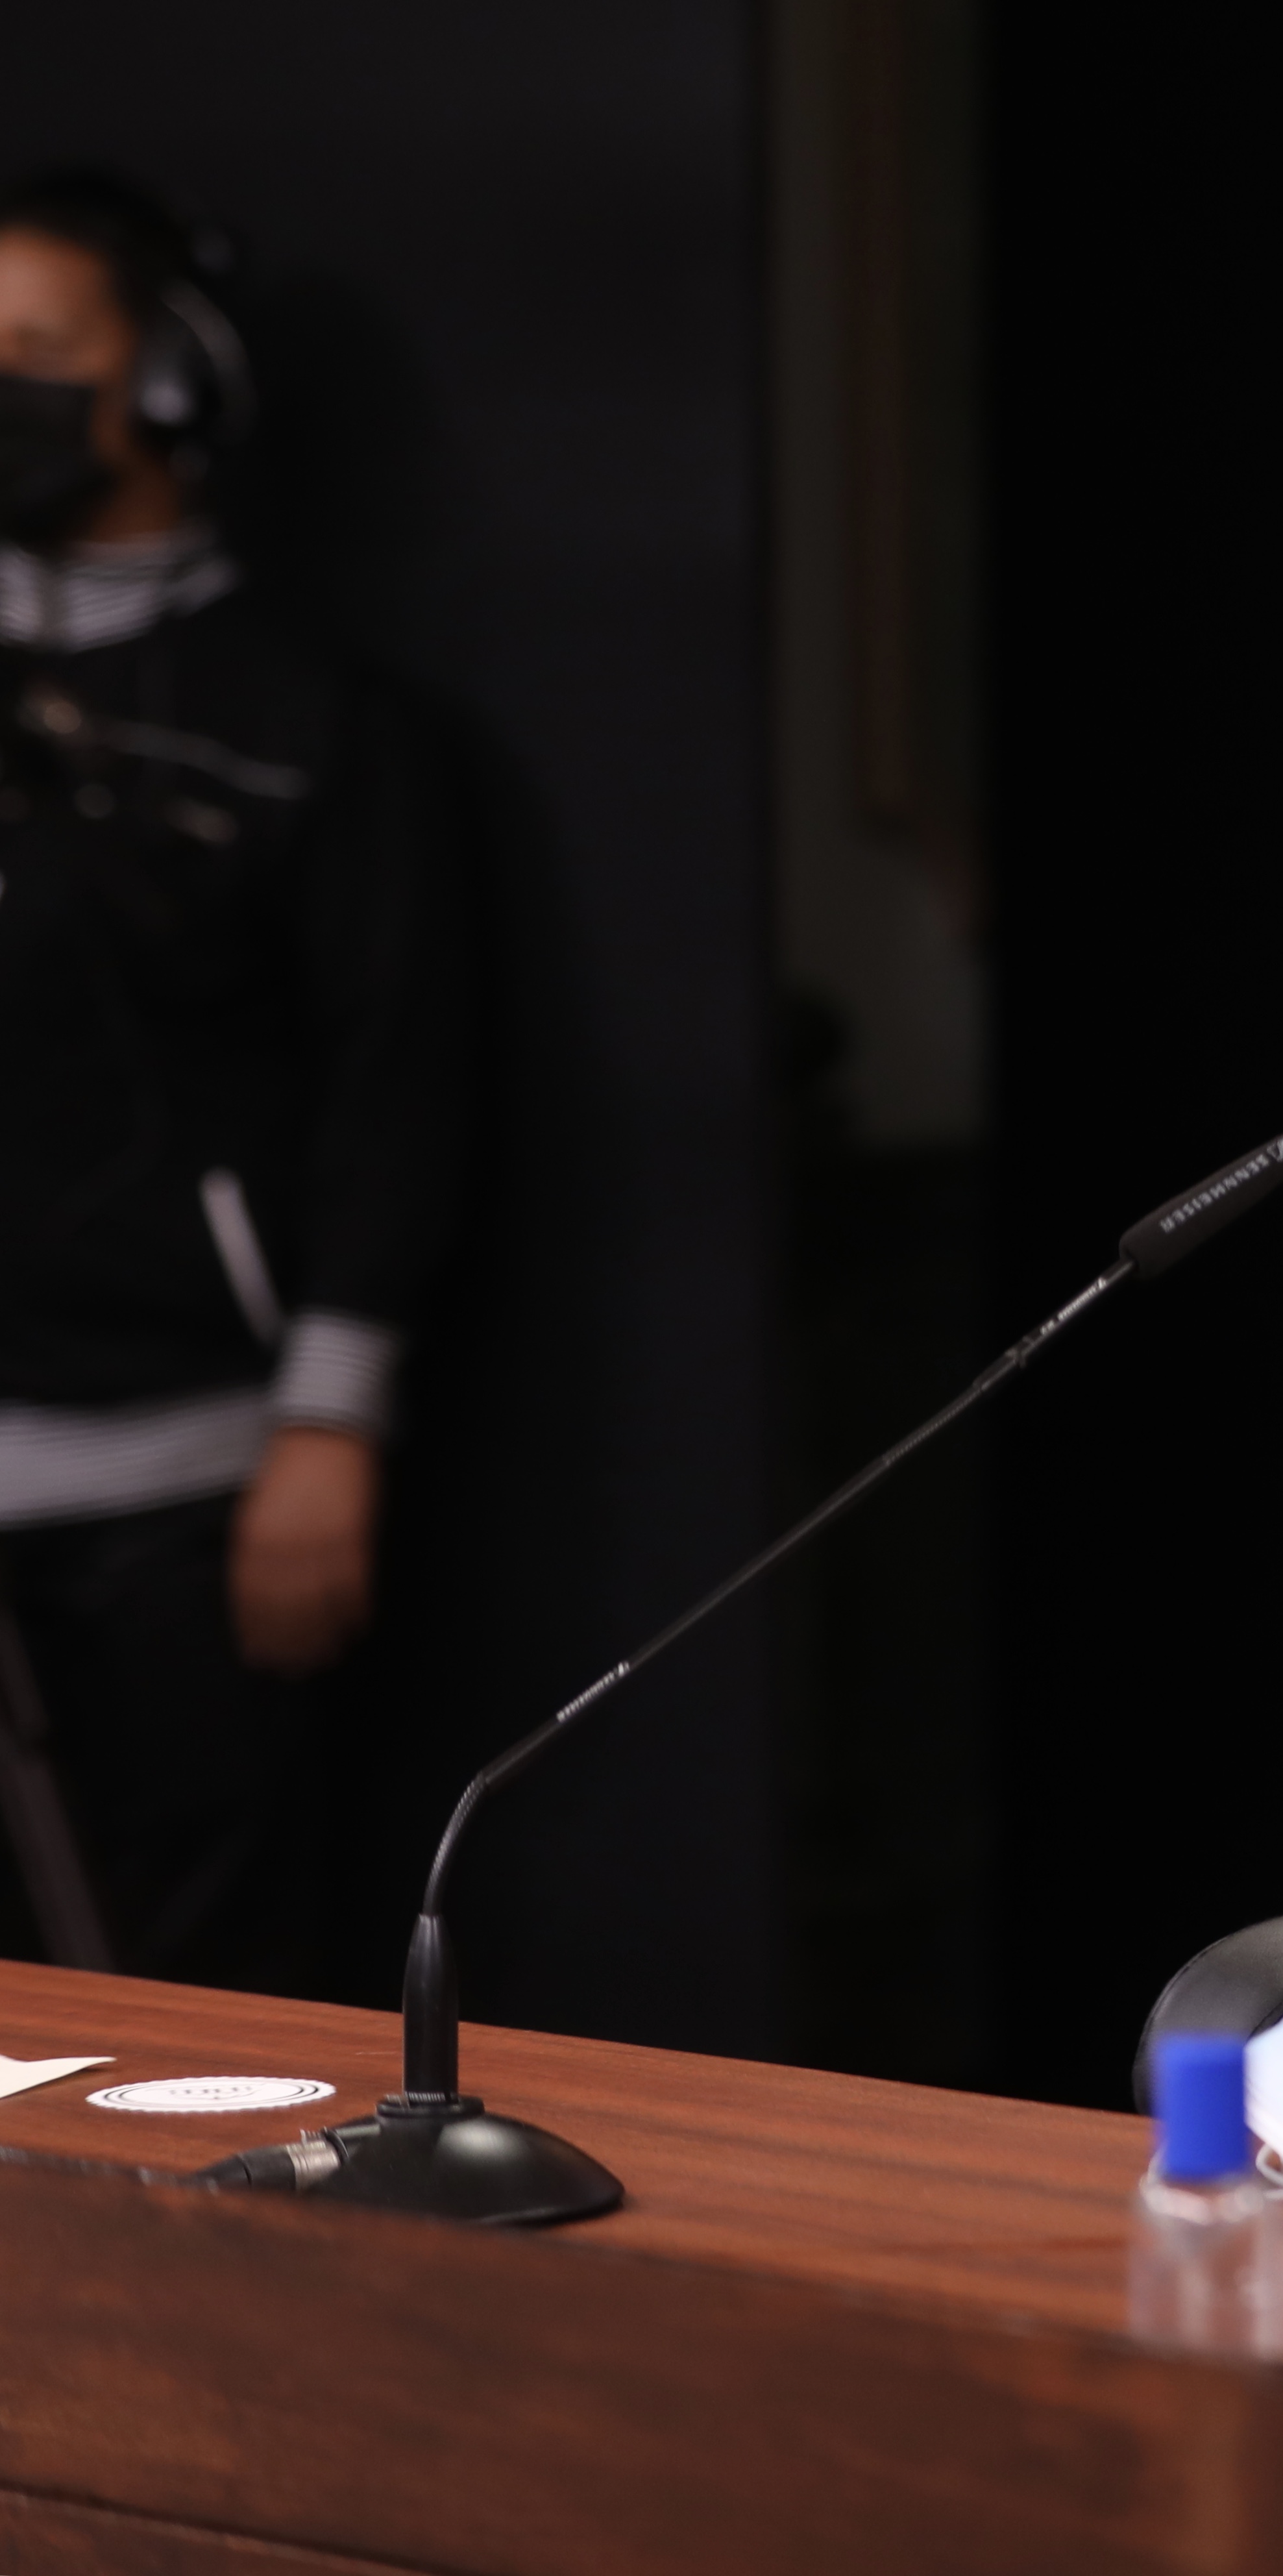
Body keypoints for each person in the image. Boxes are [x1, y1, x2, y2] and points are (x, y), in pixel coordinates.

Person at [0, 169, 470, 1986]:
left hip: (183, 1490)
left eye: (36, 349)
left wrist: (326, 1429)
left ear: (169, 383)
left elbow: (394, 1083)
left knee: (200, 2002)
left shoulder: (306, 725)